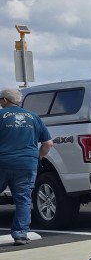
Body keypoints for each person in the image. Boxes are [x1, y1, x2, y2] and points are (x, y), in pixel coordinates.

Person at [0, 87, 52, 246]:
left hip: (3, 161)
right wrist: (38, 157)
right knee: (23, 199)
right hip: (27, 163)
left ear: (5, 100)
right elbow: (48, 143)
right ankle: (21, 235)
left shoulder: (1, 115)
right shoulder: (34, 117)